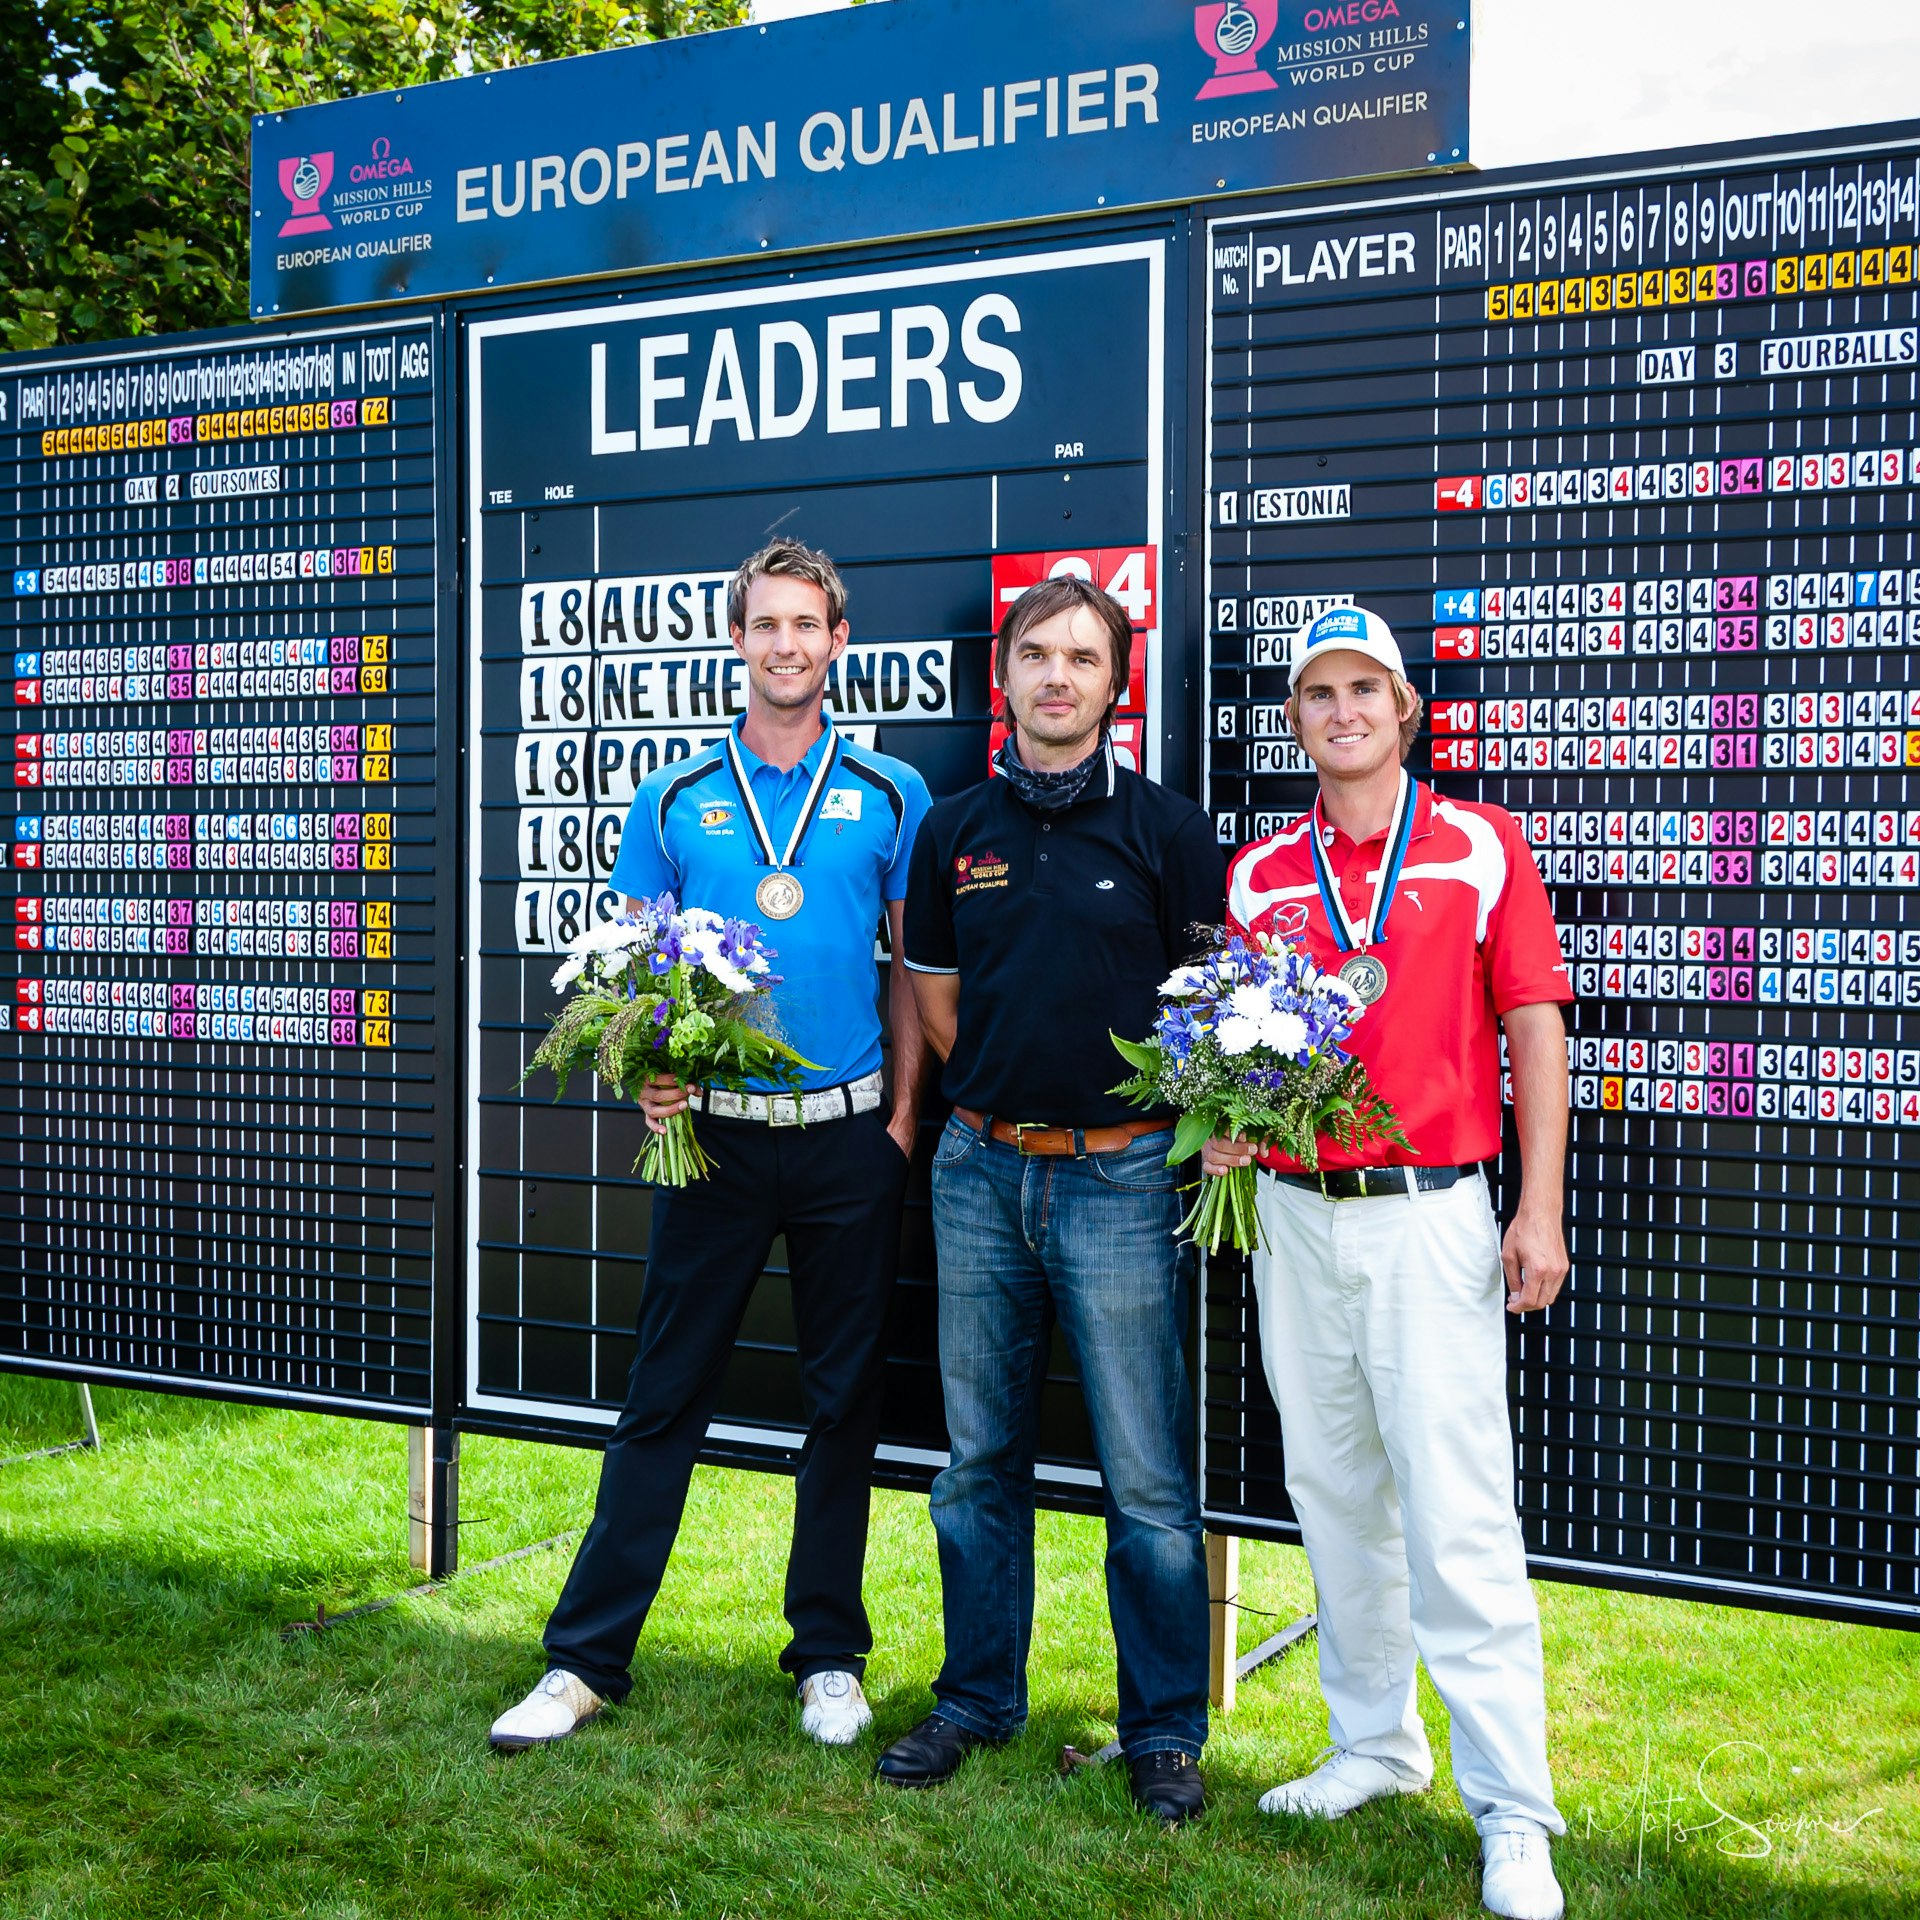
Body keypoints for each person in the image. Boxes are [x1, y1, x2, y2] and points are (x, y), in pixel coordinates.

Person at [489, 538, 931, 1753]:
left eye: (807, 625)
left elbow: (913, 971)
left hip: (846, 1142)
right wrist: (650, 1074)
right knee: (662, 1399)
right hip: (716, 1150)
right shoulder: (675, 798)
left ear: (839, 643)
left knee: (843, 1406)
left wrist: (899, 1118)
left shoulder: (893, 792)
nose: (786, 645)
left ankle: (828, 1655)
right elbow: (633, 968)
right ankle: (582, 1663)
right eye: (765, 625)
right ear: (737, 640)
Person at [1204, 605, 1573, 1919]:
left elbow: (1533, 1025)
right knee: (1334, 1486)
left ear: (1405, 708)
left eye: (1366, 688)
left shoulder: (1479, 846)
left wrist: (1541, 1207)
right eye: (1318, 694)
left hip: (1433, 1212)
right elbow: (1243, 1043)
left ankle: (1514, 1808)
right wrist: (1231, 1131)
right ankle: (1374, 1742)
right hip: (1300, 1216)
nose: (1343, 710)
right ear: (1295, 719)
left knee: (1459, 1510)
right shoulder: (1260, 873)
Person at [876, 574, 1224, 1825]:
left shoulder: (1172, 834)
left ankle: (1165, 1732)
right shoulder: (951, 827)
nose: (1059, 676)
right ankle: (976, 1700)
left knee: (1145, 1482)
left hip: (1124, 1178)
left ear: (1115, 682)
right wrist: (1003, 1106)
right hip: (977, 1170)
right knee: (977, 1465)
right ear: (1005, 676)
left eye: (1083, 656)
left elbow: (1213, 1016)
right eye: (1038, 654)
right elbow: (936, 998)